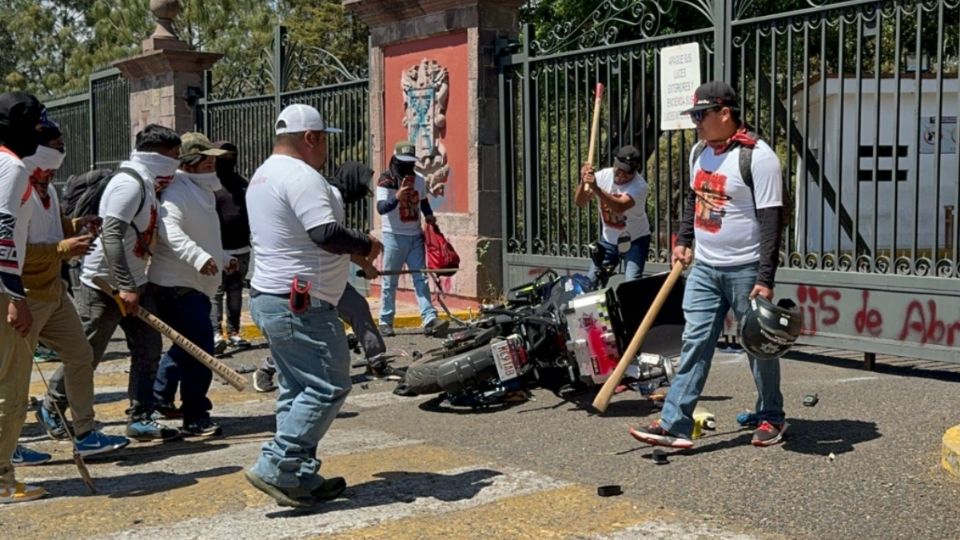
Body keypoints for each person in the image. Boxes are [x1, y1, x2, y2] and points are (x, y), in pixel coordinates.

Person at [628, 81, 787, 449]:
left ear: (725, 113)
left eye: (702, 115)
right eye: (694, 116)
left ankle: (772, 417)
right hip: (705, 267)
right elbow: (693, 199)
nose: (696, 123)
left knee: (758, 346)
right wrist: (684, 240)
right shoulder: (700, 151)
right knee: (695, 342)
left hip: (746, 269)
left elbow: (771, 222)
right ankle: (674, 424)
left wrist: (765, 278)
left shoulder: (759, 157)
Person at [244, 104, 382, 507]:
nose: (326, 150)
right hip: (300, 303)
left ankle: (297, 476)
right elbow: (323, 233)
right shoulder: (302, 176)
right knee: (329, 385)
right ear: (311, 138)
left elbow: (300, 238)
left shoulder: (263, 174)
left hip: (275, 297)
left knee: (296, 388)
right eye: (324, 139)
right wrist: (365, 245)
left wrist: (354, 258)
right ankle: (278, 463)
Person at [37, 124, 182, 442]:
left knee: (148, 349)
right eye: (172, 157)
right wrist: (126, 285)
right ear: (155, 156)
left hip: (134, 283)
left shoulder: (146, 181)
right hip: (105, 286)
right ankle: (53, 407)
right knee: (87, 353)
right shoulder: (128, 185)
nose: (176, 164)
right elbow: (112, 236)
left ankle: (142, 416)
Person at [15, 115, 130, 465]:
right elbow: (14, 249)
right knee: (14, 373)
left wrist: (78, 225)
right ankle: (8, 444)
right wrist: (62, 248)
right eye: (56, 148)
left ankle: (85, 433)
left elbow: (52, 228)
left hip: (53, 292)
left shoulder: (46, 188)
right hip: (23, 296)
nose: (61, 155)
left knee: (80, 355)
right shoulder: (14, 189)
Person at [252, 160, 396, 393]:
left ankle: (377, 361)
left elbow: (338, 244)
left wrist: (365, 264)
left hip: (331, 276)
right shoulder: (328, 195)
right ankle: (268, 367)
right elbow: (330, 240)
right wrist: (365, 260)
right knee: (301, 334)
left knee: (358, 308)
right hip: (311, 280)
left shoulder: (334, 196)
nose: (364, 191)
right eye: (362, 184)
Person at [150, 132, 236, 436]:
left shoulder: (202, 191)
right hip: (177, 284)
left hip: (194, 284)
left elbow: (203, 234)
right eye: (208, 159)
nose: (214, 164)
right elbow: (169, 230)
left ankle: (159, 397)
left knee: (187, 347)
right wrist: (198, 257)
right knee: (200, 348)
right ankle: (195, 415)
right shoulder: (177, 190)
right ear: (192, 162)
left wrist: (222, 257)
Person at [0, 91, 46, 503]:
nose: (39, 134)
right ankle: (1, 478)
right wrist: (16, 296)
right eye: (34, 125)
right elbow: (2, 231)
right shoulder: (11, 167)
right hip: (2, 289)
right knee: (9, 387)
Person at [376, 141, 447, 337]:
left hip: (415, 235)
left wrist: (430, 216)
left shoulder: (419, 180)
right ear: (396, 160)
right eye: (403, 163)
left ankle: (429, 318)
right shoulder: (386, 180)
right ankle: (385, 321)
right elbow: (381, 208)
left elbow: (423, 202)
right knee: (390, 281)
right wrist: (397, 195)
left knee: (420, 278)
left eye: (410, 163)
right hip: (393, 236)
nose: (407, 168)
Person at [574, 145, 651, 283]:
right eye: (619, 169)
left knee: (631, 284)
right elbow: (580, 202)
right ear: (615, 163)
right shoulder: (603, 176)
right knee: (591, 282)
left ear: (635, 170)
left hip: (635, 240)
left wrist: (596, 188)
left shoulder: (640, 186)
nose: (621, 174)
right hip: (609, 241)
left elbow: (620, 206)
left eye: (627, 172)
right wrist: (583, 181)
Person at [211, 141, 251, 354]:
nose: (228, 160)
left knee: (235, 292)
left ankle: (234, 332)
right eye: (223, 157)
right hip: (218, 249)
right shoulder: (210, 185)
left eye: (231, 156)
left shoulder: (242, 184)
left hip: (241, 248)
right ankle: (216, 333)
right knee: (216, 292)